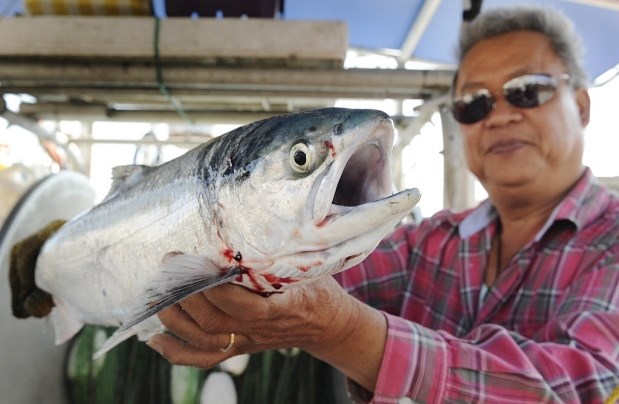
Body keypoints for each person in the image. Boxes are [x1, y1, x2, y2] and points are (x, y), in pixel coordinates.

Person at [146, 6, 619, 403]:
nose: (499, 116)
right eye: (474, 104)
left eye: (527, 90)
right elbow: (316, 277)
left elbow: (586, 386)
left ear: (580, 105)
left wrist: (341, 330)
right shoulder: (431, 242)